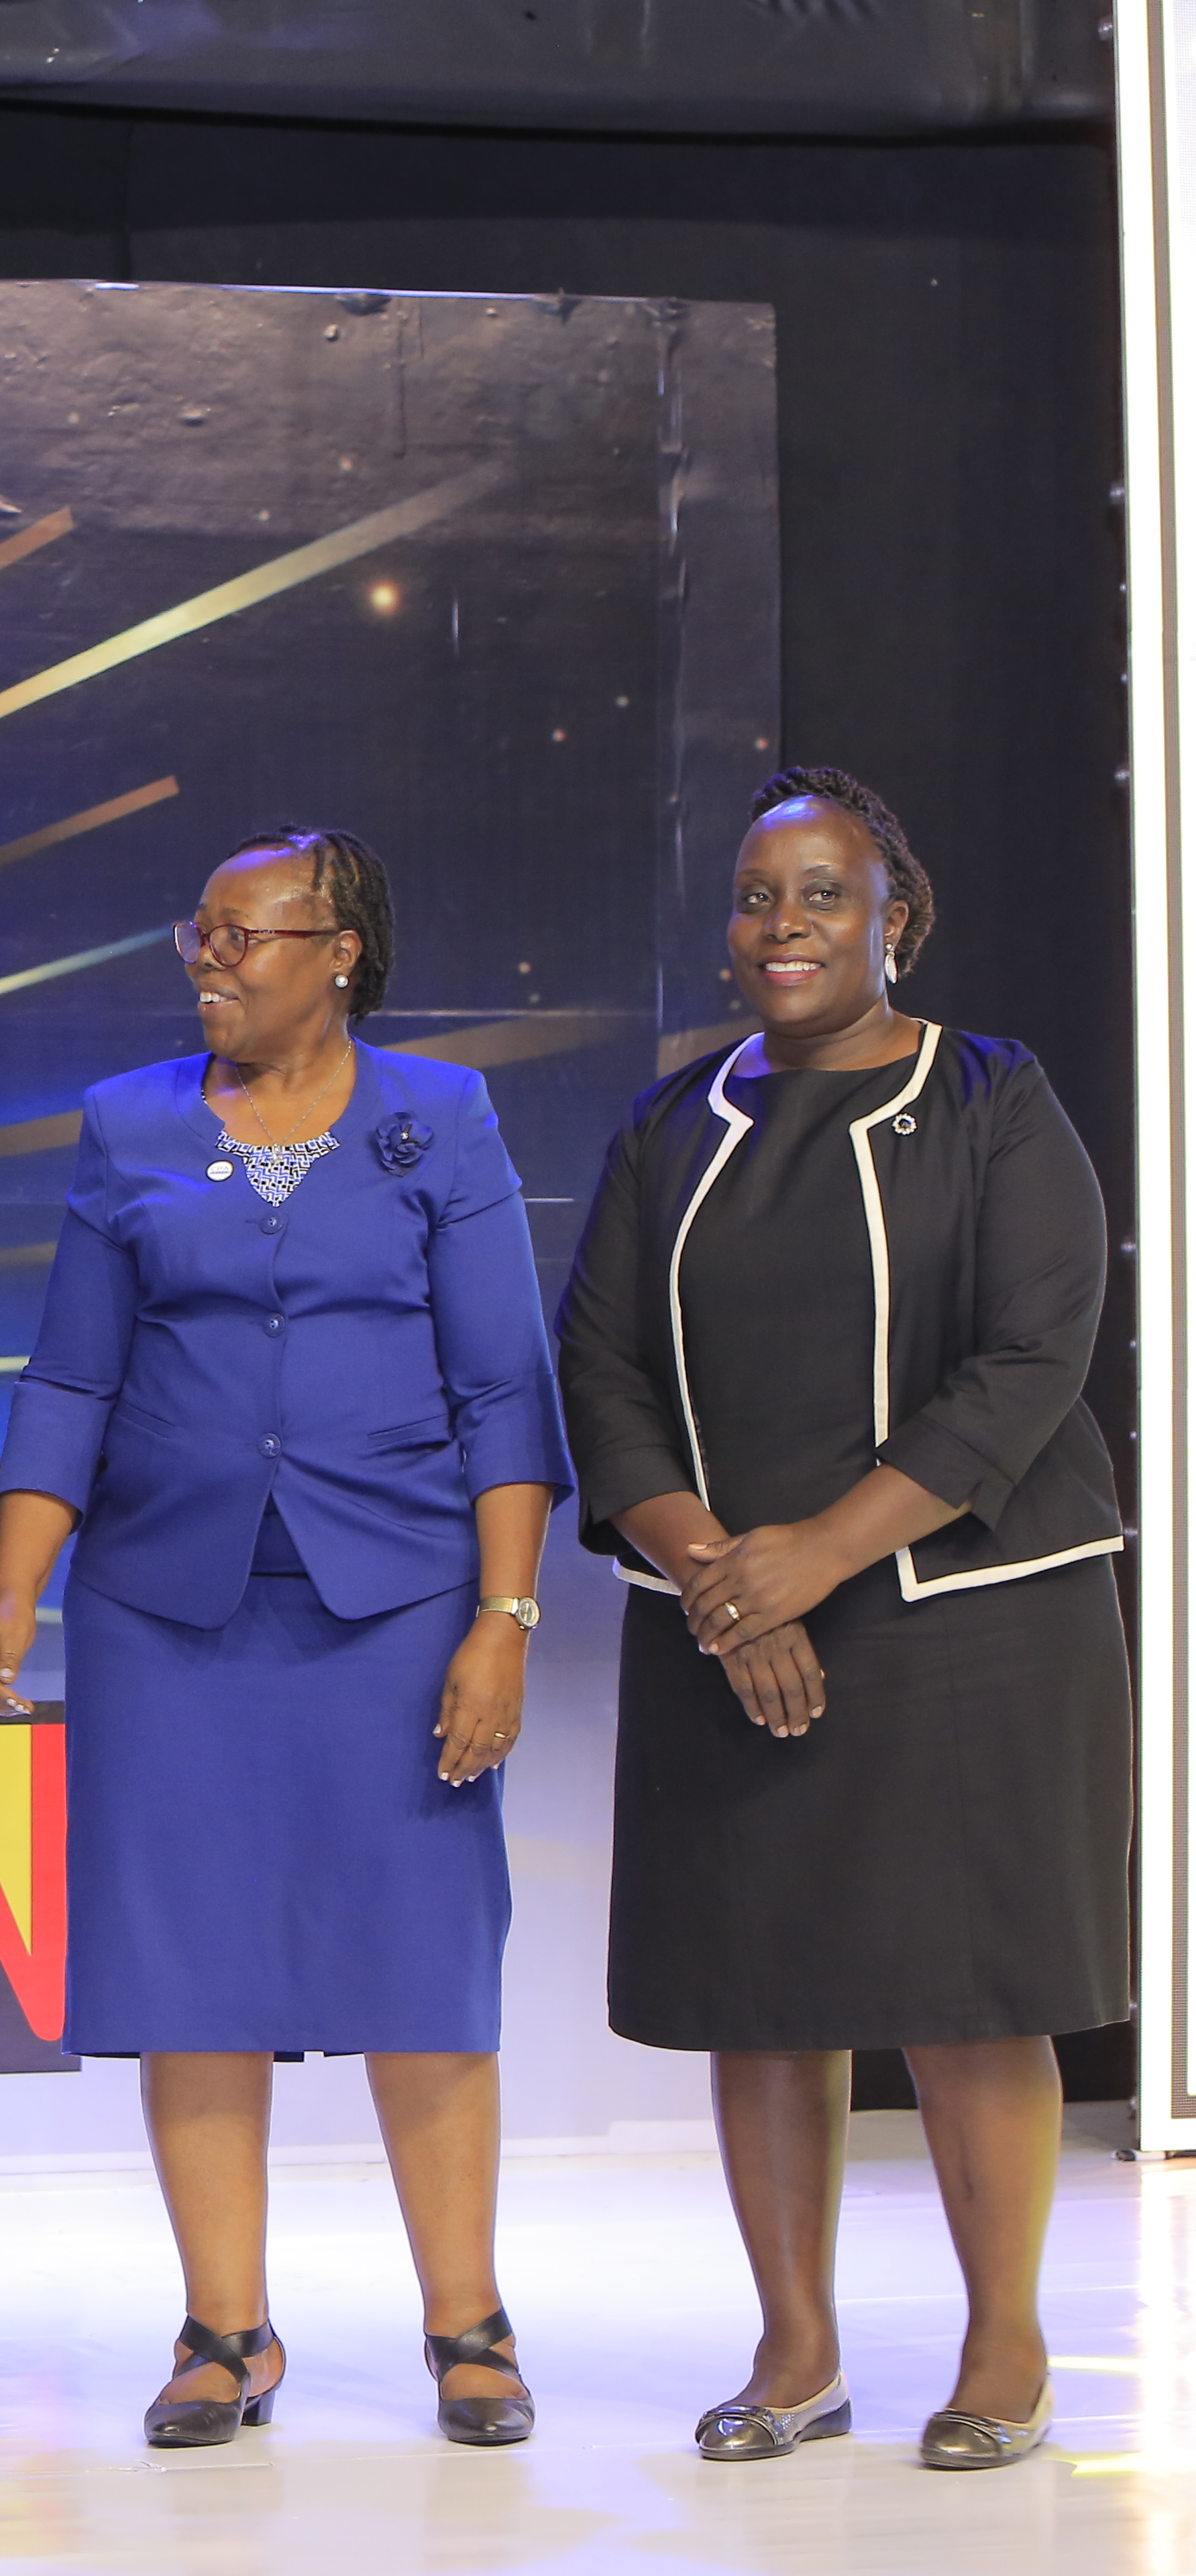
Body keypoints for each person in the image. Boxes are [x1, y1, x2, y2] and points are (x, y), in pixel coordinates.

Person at [0, 826, 565, 2453]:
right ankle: (226, 2332)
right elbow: (73, 1378)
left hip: (398, 1608)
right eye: (200, 936)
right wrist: (16, 1580)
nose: (209, 961)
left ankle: (469, 2325)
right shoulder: (129, 1125)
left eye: (242, 935)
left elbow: (504, 1386)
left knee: (422, 1964)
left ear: (340, 949)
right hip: (170, 1610)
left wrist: (504, 1620)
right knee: (193, 1965)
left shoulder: (442, 1120)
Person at [555, 767, 1127, 2473]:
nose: (782, 926)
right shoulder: (670, 1128)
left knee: (969, 1996)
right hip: (728, 1614)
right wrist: (729, 1581)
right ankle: (794, 2351)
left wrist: (823, 1555)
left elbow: (1032, 1360)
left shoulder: (997, 1101)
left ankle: (1004, 2349)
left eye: (821, 895)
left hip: (969, 1618)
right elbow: (599, 1366)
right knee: (765, 1992)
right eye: (755, 896)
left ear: (896, 917)